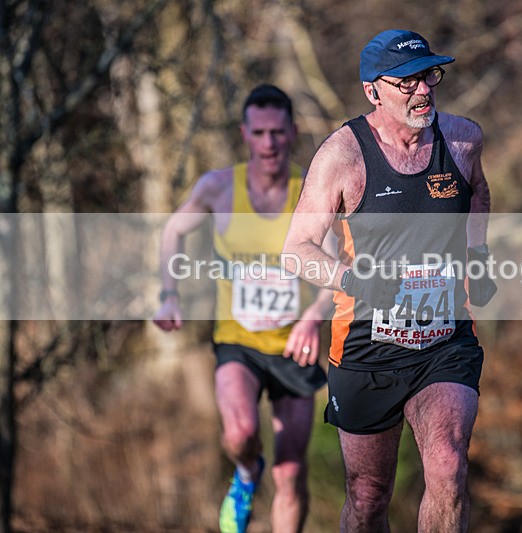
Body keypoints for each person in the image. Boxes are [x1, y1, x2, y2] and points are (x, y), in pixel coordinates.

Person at [282, 29, 496, 532]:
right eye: (407, 82)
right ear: (372, 91)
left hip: (444, 340)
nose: (423, 90)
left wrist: (479, 255)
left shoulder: (462, 139)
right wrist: (355, 282)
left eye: (430, 76)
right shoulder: (343, 157)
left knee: (447, 467)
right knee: (368, 495)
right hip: (366, 345)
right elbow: (296, 249)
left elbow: (479, 192)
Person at [153, 84, 331, 533]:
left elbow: (337, 270)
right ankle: (246, 475)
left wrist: (313, 318)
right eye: (259, 133)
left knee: (290, 473)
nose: (269, 143)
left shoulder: (310, 192)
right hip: (239, 343)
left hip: (294, 347)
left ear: (292, 132)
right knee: (239, 435)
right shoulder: (217, 187)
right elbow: (172, 232)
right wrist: (168, 293)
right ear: (245, 134)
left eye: (277, 132)